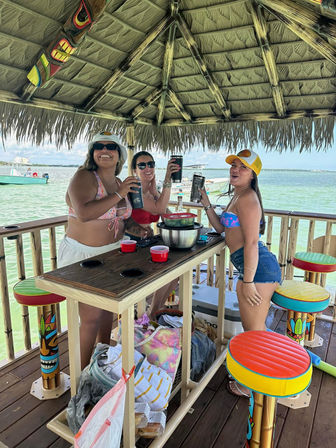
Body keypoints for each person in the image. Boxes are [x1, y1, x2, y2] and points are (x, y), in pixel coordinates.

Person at [58, 131, 146, 369]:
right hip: (83, 257)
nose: (105, 150)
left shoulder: (119, 182)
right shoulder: (84, 176)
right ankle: (81, 375)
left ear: (120, 155)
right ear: (92, 152)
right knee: (90, 318)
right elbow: (86, 214)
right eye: (99, 146)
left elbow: (122, 219)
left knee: (108, 312)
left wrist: (136, 228)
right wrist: (119, 194)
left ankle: (101, 363)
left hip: (112, 254)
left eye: (111, 146)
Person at [200, 149, 281, 397]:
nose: (235, 169)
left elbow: (253, 244)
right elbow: (221, 229)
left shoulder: (248, 199)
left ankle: (254, 385)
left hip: (258, 271)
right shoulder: (237, 196)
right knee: (253, 329)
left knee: (253, 332)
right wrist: (205, 202)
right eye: (233, 165)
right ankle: (265, 372)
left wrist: (247, 281)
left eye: (242, 167)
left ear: (253, 174)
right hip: (251, 269)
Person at [128, 151, 180, 318]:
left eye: (150, 164)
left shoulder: (150, 191)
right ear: (135, 169)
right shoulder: (134, 189)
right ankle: (146, 313)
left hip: (147, 241)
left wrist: (156, 191)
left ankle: (153, 313)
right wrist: (167, 179)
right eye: (142, 165)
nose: (147, 168)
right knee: (159, 277)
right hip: (132, 243)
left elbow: (165, 214)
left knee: (173, 276)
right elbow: (158, 209)